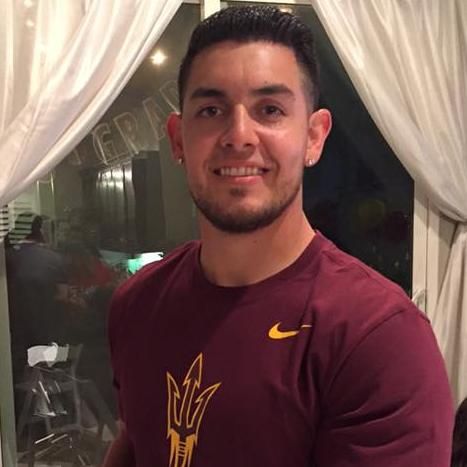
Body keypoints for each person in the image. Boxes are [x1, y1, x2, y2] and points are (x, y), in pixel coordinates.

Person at [104, 6, 453, 467]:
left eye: (270, 110)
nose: (239, 136)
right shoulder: (137, 304)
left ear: (314, 137)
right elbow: (137, 439)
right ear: (178, 139)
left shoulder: (379, 339)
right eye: (211, 110)